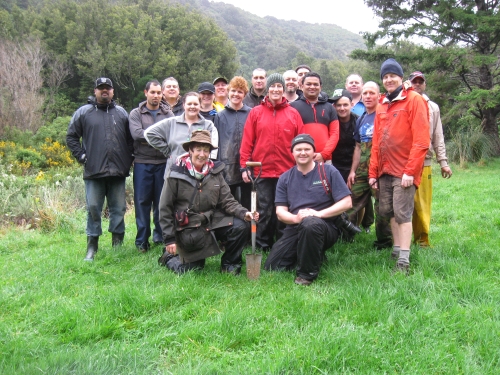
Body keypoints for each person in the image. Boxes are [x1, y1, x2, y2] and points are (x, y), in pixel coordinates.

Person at [157, 130, 259, 274]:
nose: (202, 154)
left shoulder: (215, 172)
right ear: (191, 150)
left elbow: (227, 201)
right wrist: (169, 239)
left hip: (212, 219)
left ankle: (230, 264)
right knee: (192, 269)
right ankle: (169, 256)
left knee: (241, 226)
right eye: (198, 149)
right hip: (188, 227)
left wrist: (244, 213)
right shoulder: (175, 175)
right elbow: (164, 208)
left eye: (206, 150)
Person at [264, 134, 352, 286]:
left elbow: (347, 203)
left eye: (307, 149)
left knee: (311, 223)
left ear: (314, 152)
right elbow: (280, 212)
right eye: (298, 149)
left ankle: (306, 275)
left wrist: (318, 214)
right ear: (292, 153)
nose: (302, 153)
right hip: (296, 226)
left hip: (325, 227)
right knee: (273, 266)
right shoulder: (285, 178)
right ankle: (311, 253)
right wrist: (295, 219)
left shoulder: (328, 171)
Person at [369, 59, 429, 273]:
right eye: (385, 76)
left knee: (403, 213)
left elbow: (422, 141)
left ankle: (403, 260)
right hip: (384, 169)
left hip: (404, 170)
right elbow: (376, 141)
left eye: (393, 75)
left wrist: (410, 171)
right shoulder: (383, 103)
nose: (389, 79)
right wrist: (373, 172)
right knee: (388, 211)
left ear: (401, 77)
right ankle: (396, 248)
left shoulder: (414, 100)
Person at [66, 77, 134, 261]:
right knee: (94, 208)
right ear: (95, 91)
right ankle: (92, 247)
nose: (105, 91)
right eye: (101, 88)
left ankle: (117, 246)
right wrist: (81, 156)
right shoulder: (83, 112)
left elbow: (130, 140)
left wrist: (129, 160)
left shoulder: (121, 113)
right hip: (94, 171)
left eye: (108, 88)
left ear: (113, 92)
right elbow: (71, 137)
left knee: (118, 208)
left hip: (118, 171)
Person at [240, 73, 304, 251]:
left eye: (279, 87)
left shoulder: (293, 114)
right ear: (268, 89)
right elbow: (247, 142)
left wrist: (301, 167)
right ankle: (262, 245)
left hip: (287, 172)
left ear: (284, 90)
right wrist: (244, 166)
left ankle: (283, 245)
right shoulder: (256, 113)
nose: (276, 89)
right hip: (262, 171)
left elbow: (301, 143)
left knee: (284, 211)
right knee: (264, 211)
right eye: (273, 86)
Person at [129, 80, 174, 253]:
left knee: (161, 202)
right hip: (142, 163)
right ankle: (142, 241)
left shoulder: (167, 113)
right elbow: (137, 134)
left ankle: (160, 236)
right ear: (145, 93)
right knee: (142, 202)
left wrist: (152, 138)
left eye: (158, 93)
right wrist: (159, 137)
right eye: (152, 92)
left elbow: (173, 132)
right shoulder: (136, 113)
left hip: (163, 163)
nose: (156, 96)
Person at [409, 71, 453, 247]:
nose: (417, 84)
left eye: (420, 82)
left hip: (424, 162)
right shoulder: (402, 102)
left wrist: (443, 162)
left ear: (425, 84)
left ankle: (422, 239)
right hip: (403, 161)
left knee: (422, 204)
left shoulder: (433, 107)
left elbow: (437, 135)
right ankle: (400, 240)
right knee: (402, 204)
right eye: (414, 81)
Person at [346, 82, 392, 247]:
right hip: (362, 169)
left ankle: (385, 241)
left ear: (379, 95)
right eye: (365, 93)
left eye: (371, 93)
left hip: (380, 169)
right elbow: (358, 147)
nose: (367, 96)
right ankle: (346, 237)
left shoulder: (385, 114)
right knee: (350, 202)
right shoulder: (362, 118)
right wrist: (353, 171)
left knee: (383, 207)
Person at [144, 92, 218, 178]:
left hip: (199, 175)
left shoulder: (208, 125)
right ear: (184, 105)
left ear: (200, 105)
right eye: (189, 104)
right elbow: (149, 133)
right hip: (174, 174)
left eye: (195, 104)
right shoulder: (172, 122)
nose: (192, 107)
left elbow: (213, 148)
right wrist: (167, 150)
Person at [214, 76, 252, 210]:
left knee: (248, 203)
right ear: (228, 92)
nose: (236, 94)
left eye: (240, 91)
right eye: (234, 91)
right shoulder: (220, 115)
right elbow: (216, 142)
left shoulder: (251, 113)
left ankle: (249, 230)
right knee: (228, 203)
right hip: (226, 167)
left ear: (245, 94)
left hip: (247, 166)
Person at [290, 72, 339, 163]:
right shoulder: (292, 107)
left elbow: (334, 134)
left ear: (320, 87)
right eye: (308, 84)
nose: (312, 87)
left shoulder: (330, 107)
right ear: (301, 86)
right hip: (300, 159)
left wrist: (324, 154)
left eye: (315, 84)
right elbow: (289, 135)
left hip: (325, 159)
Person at [331, 89, 358, 182]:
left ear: (352, 104)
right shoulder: (330, 121)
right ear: (334, 106)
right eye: (338, 105)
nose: (342, 108)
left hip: (354, 167)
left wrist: (353, 171)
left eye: (345, 105)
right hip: (334, 166)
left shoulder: (359, 121)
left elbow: (359, 148)